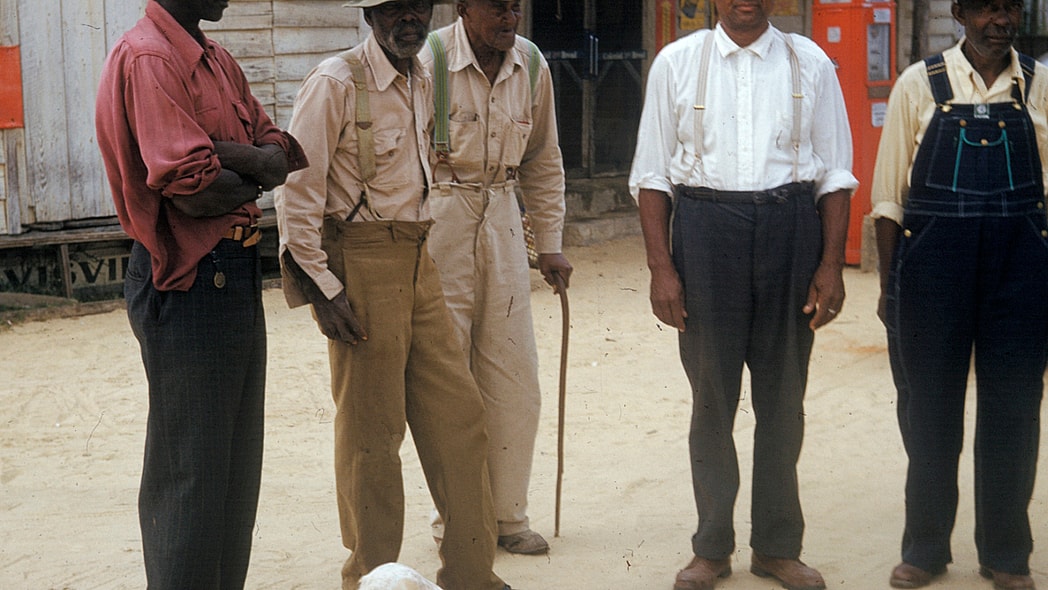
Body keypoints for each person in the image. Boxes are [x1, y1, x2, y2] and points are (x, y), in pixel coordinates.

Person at [273, 1, 509, 589]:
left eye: (416, 7)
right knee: (371, 437)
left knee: (461, 418)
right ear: (369, 16)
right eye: (392, 10)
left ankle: (472, 576)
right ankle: (370, 579)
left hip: (418, 258)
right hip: (360, 263)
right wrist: (324, 289)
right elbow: (295, 194)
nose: (408, 19)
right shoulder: (334, 82)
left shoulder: (425, 77)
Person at [628, 0, 857, 588]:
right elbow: (652, 174)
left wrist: (830, 264)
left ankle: (778, 547)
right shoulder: (676, 63)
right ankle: (712, 547)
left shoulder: (811, 63)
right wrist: (662, 267)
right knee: (712, 399)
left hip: (790, 228)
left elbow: (833, 172)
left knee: (783, 401)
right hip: (706, 233)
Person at [94, 0, 307, 587]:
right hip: (190, 279)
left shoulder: (214, 58)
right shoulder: (150, 59)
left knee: (234, 476)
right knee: (191, 475)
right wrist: (246, 162)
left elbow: (282, 153)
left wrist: (225, 153)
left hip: (233, 273)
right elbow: (194, 191)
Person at [871, 2, 1045, 589]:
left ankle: (1006, 555)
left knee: (1014, 413)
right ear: (961, 14)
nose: (1001, 21)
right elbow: (890, 196)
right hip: (932, 270)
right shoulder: (918, 84)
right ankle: (924, 549)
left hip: (1021, 268)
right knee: (929, 413)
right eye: (988, 9)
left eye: (1011, 8)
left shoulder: (1040, 86)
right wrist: (890, 288)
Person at [417, 0, 572, 555]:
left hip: (504, 217)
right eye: (495, 5)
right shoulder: (428, 57)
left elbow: (543, 160)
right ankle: (457, 522)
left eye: (516, 6)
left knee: (514, 376)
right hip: (440, 217)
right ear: (463, 7)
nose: (509, 16)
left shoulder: (531, 64)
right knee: (448, 379)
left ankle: (508, 516)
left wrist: (549, 244)